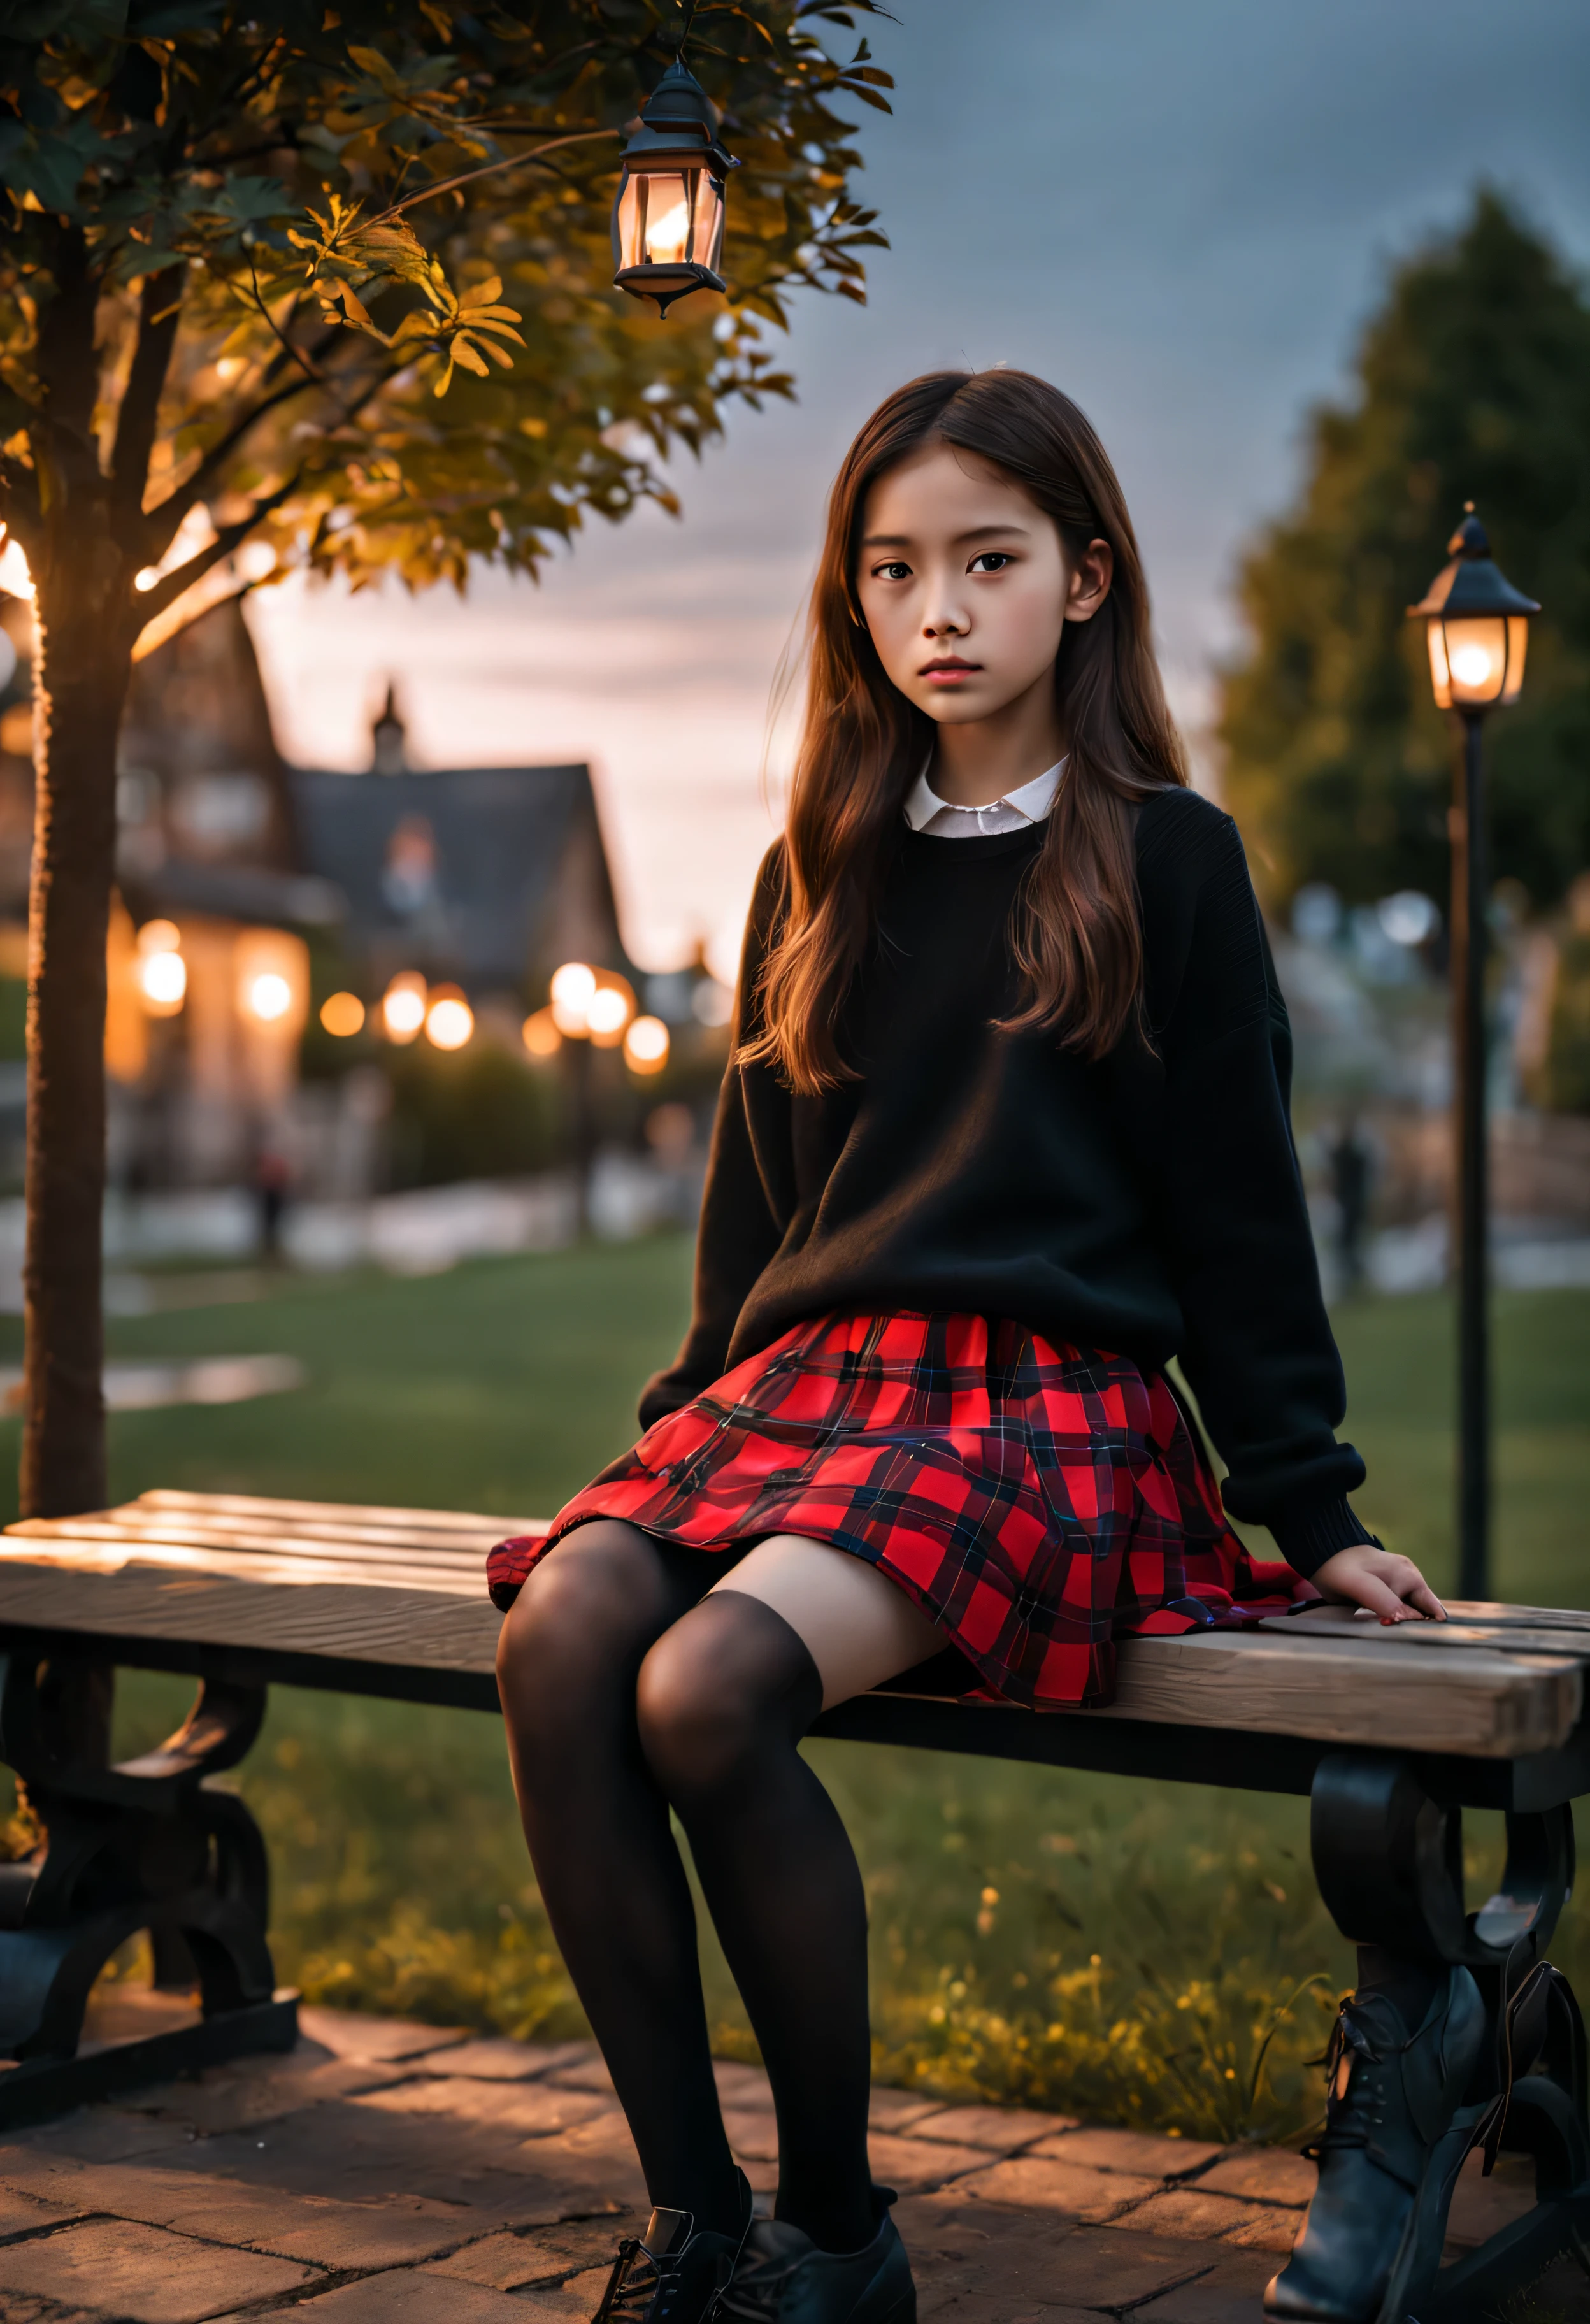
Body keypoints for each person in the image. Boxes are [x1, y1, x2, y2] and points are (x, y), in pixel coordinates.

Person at [490, 371, 1451, 2324]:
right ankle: (696, 2223)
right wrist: (680, 1449)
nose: (940, 611)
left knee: (706, 1698)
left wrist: (1311, 1502)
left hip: (1043, 1414)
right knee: (566, 1630)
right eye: (894, 570)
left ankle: (837, 2238)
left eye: (987, 563)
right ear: (853, 600)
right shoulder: (815, 867)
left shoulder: (1168, 860)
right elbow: (758, 1211)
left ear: (1084, 580)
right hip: (807, 1398)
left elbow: (1239, 1208)